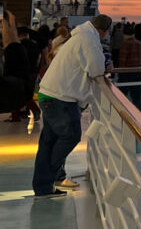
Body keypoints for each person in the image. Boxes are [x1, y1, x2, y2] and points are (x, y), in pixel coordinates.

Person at [32, 14, 111, 197]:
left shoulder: (79, 36)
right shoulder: (88, 40)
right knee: (71, 136)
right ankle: (48, 177)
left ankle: (43, 187)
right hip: (61, 99)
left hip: (49, 94)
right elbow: (96, 69)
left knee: (48, 143)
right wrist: (107, 66)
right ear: (104, 31)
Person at [118, 25, 141, 107]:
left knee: (121, 96)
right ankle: (138, 115)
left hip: (127, 73)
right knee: (136, 97)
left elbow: (122, 61)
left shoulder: (125, 44)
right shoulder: (140, 44)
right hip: (138, 72)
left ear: (124, 34)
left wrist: (120, 72)